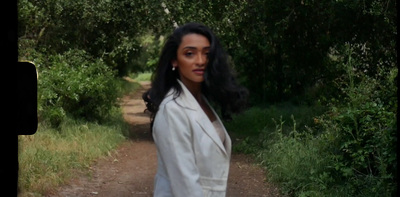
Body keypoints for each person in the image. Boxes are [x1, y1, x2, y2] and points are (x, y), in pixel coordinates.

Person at [142, 22, 248, 197]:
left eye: (206, 54)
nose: (200, 61)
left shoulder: (201, 102)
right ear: (174, 60)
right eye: (189, 54)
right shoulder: (173, 110)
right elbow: (185, 185)